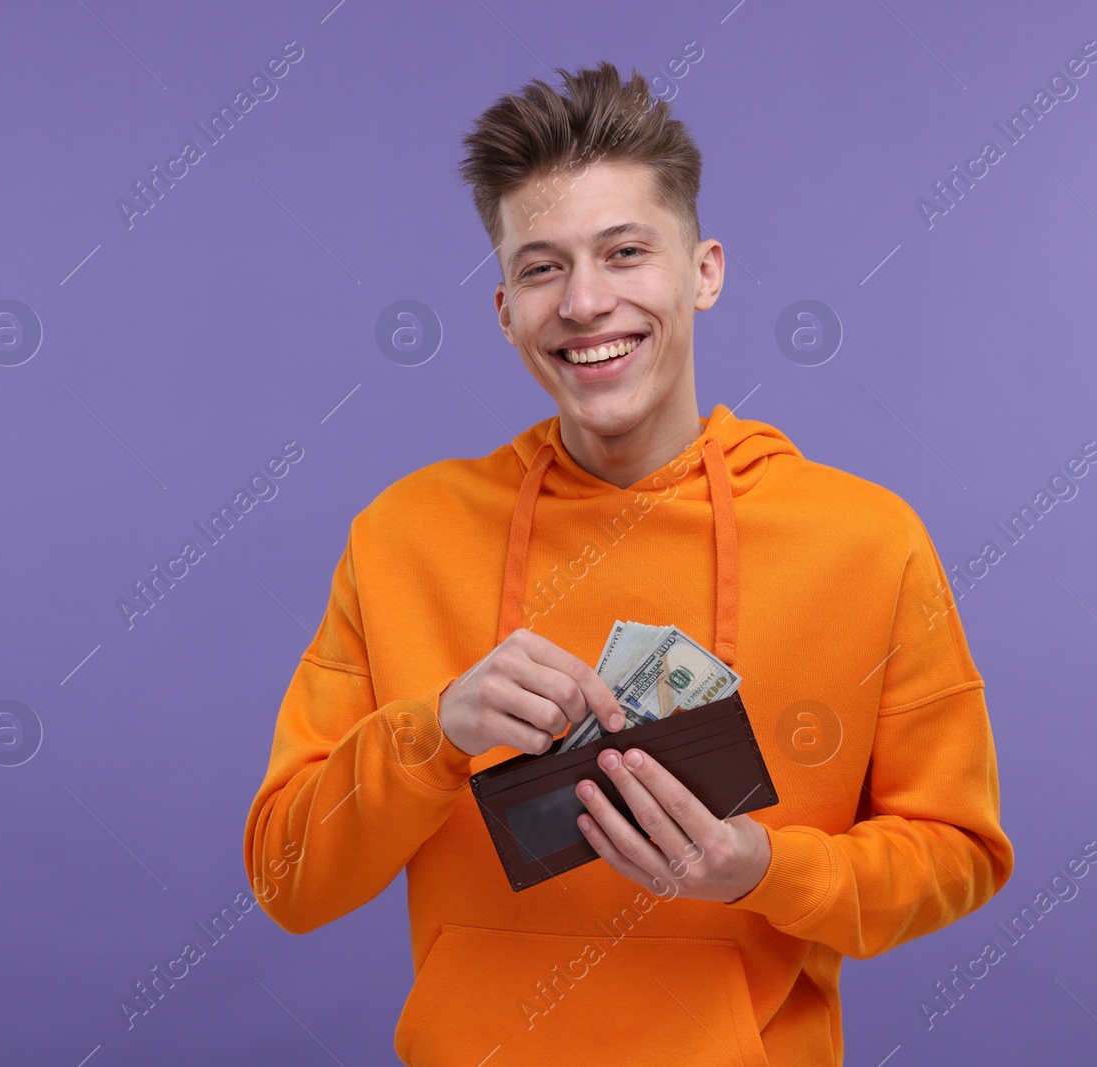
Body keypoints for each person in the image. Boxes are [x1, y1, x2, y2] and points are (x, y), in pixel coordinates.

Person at [244, 60, 1013, 1066]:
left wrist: (759, 866)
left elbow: (958, 852)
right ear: (505, 309)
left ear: (704, 271)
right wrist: (432, 731)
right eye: (540, 267)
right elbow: (288, 875)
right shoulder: (402, 534)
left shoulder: (869, 541)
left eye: (624, 251)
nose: (584, 301)